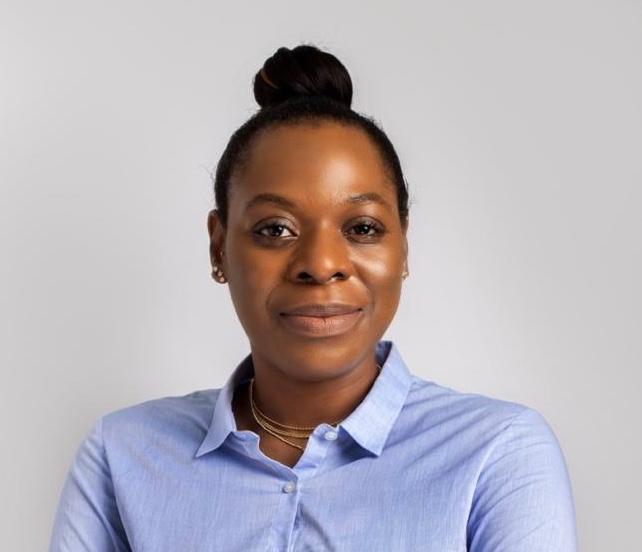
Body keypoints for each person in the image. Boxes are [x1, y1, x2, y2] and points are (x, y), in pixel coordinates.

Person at [48, 44, 578, 551]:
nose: (322, 265)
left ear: (403, 245)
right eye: (275, 229)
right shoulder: (122, 455)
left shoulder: (495, 453)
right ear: (218, 246)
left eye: (363, 227)